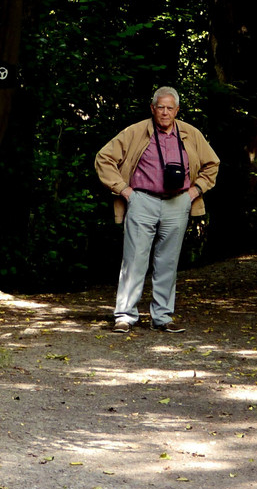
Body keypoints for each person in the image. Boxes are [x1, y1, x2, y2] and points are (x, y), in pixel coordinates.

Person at [94, 87, 220, 332]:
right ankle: (125, 316)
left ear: (177, 110)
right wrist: (124, 190)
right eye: (160, 107)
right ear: (152, 108)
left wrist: (194, 192)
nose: (165, 112)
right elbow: (104, 158)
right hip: (142, 200)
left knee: (168, 262)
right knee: (134, 260)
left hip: (178, 203)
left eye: (169, 108)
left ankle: (162, 317)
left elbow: (212, 164)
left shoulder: (190, 134)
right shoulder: (136, 131)